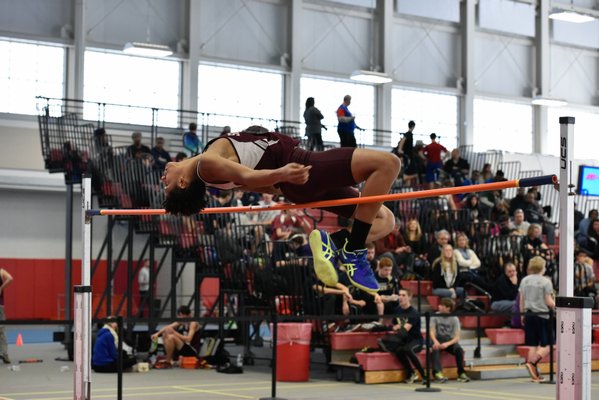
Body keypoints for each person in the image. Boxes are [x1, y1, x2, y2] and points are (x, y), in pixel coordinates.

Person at [161, 125, 400, 295]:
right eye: (167, 184)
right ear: (183, 183)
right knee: (388, 163)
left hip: (299, 184)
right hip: (304, 167)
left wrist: (286, 181)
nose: (163, 178)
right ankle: (354, 251)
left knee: (385, 219)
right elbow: (250, 175)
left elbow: (261, 183)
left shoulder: (214, 173)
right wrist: (284, 173)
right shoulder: (207, 164)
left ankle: (335, 244)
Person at [378, 288, 425, 384]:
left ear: (410, 297)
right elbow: (395, 326)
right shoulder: (397, 310)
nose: (401, 297)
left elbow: (405, 329)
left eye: (404, 295)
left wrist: (398, 327)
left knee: (408, 349)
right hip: (404, 339)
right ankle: (411, 373)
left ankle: (424, 376)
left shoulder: (414, 313)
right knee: (398, 350)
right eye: (400, 295)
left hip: (416, 340)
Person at [519, 256, 555, 382]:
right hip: (542, 315)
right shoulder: (546, 281)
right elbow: (548, 301)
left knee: (532, 345)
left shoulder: (524, 280)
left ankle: (534, 375)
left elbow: (522, 299)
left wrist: (522, 314)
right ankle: (533, 363)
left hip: (529, 314)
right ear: (542, 267)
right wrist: (557, 305)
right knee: (550, 344)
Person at [430, 298, 470, 383]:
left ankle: (461, 373)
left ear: (448, 308)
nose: (439, 306)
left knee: (459, 350)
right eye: (440, 305)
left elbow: (457, 337)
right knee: (435, 348)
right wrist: (435, 341)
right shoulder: (435, 316)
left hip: (449, 341)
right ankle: (437, 373)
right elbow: (432, 331)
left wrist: (447, 344)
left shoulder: (454, 319)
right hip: (438, 339)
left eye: (442, 306)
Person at [0, 267, 14, 364]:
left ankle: (4, 354)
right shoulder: (1, 271)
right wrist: (1, 288)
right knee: (1, 330)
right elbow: (10, 278)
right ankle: (4, 354)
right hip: (0, 306)